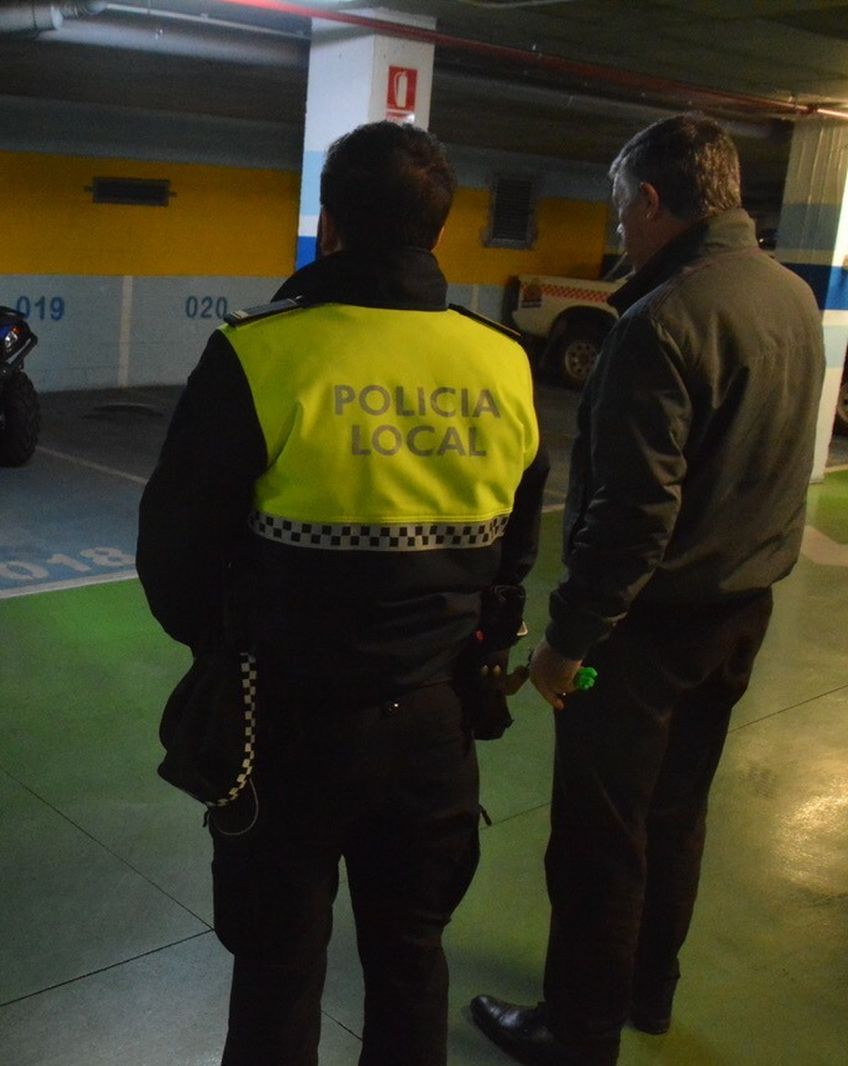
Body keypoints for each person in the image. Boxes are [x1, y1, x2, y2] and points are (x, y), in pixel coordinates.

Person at [137, 121, 547, 1066]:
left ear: (331, 220)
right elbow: (514, 555)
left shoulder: (260, 354)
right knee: (410, 957)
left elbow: (174, 553)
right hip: (436, 730)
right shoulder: (502, 363)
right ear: (438, 233)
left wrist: (225, 649)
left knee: (279, 967)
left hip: (286, 724)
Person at [470, 114, 827, 1066]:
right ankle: (647, 994)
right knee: (675, 814)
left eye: (623, 208)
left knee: (599, 836)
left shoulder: (660, 322)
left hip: (640, 639)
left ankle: (577, 1032)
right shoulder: (791, 297)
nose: (620, 227)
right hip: (739, 618)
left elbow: (632, 519)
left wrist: (566, 643)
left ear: (657, 203)